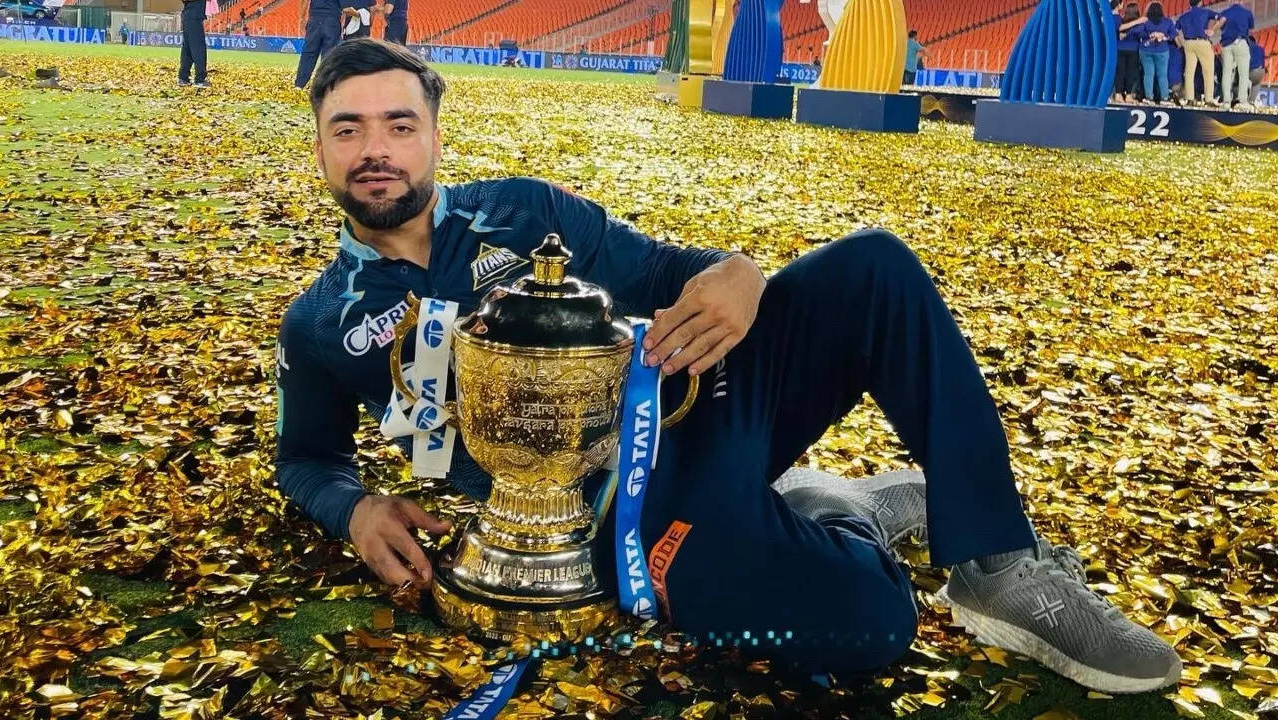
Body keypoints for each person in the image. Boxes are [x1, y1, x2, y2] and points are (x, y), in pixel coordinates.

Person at [275, 38, 1183, 696]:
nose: (375, 149)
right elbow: (307, 457)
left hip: (697, 400)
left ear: (434, 137)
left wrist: (739, 272)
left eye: (399, 124)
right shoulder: (318, 320)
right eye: (348, 129)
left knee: (874, 267)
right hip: (614, 525)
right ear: (319, 147)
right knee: (870, 625)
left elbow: (670, 270)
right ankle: (841, 509)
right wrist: (354, 508)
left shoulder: (524, 211)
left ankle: (998, 561)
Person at [294, 0, 353, 88]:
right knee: (328, 55)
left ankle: (299, 84)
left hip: (314, 19)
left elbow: (305, 1)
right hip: (332, 21)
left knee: (308, 53)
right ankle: (324, 86)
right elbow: (346, 8)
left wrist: (302, 18)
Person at [1175, 0, 1224, 104]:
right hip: (1202, 42)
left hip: (1188, 43)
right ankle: (1208, 99)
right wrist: (1213, 30)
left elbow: (1175, 30)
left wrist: (1181, 44)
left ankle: (1190, 98)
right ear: (1200, 2)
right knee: (1208, 72)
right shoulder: (1205, 12)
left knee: (1189, 73)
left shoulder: (1184, 16)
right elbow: (1222, 18)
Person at [1135, 3, 1177, 105]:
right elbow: (1174, 34)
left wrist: (1150, 34)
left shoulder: (1145, 21)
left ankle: (1149, 98)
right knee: (1162, 75)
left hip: (1146, 50)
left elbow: (1138, 33)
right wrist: (1164, 37)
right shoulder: (1167, 21)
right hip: (1162, 51)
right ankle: (1164, 98)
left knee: (1148, 74)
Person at [1218, 2, 1254, 108]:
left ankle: (1226, 101)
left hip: (1226, 44)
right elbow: (1251, 30)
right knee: (1243, 74)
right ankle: (1242, 101)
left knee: (1226, 73)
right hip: (1241, 42)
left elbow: (1221, 27)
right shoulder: (1247, 12)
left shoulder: (1225, 12)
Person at [1114, 3, 1146, 103]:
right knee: (1130, 73)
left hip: (1120, 48)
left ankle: (1118, 94)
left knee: (1120, 72)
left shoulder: (1121, 20)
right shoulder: (1139, 23)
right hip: (1133, 50)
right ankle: (1128, 95)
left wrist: (1125, 34)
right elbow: (1141, 33)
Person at [178, 0, 209, 88]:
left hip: (189, 15)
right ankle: (200, 79)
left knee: (187, 48)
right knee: (198, 47)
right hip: (194, 16)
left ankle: (183, 77)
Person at [1248, 34, 1266, 106]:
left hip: (1251, 71)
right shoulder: (1261, 48)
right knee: (1257, 83)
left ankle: (1241, 101)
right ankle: (1251, 102)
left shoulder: (1247, 48)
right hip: (1261, 71)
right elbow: (1263, 62)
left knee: (1238, 81)